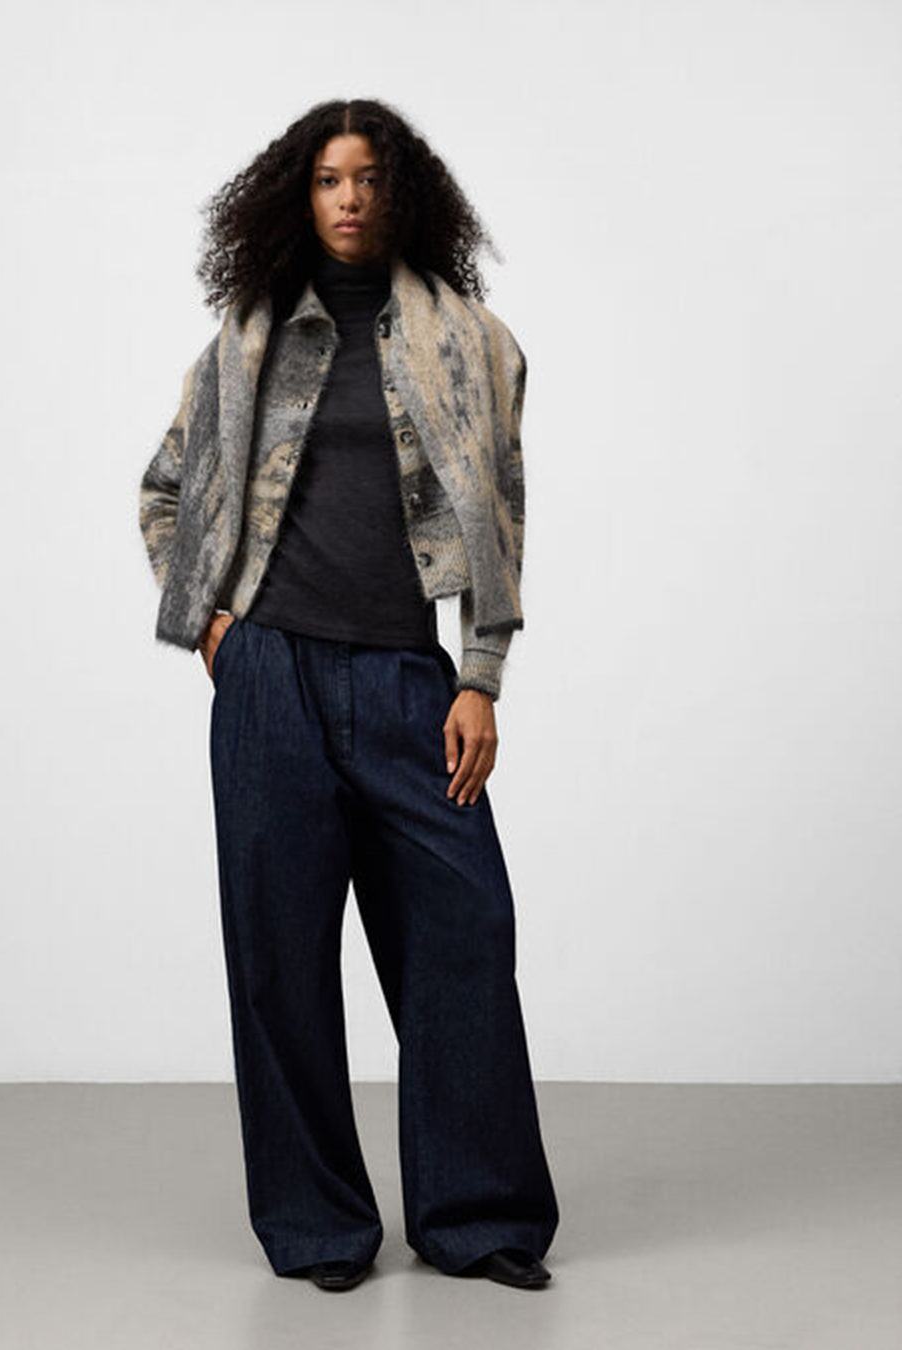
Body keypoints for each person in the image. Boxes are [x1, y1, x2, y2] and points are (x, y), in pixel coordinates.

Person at [139, 98, 559, 1292]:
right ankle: (318, 1223)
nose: (351, 198)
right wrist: (213, 626)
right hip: (270, 677)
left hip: (406, 682)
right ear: (299, 196)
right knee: (279, 959)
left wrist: (480, 677)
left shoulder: (472, 343)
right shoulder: (248, 340)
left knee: (464, 935)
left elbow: (502, 519)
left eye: (369, 177)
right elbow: (165, 490)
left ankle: (478, 1217)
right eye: (329, 179)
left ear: (402, 191)